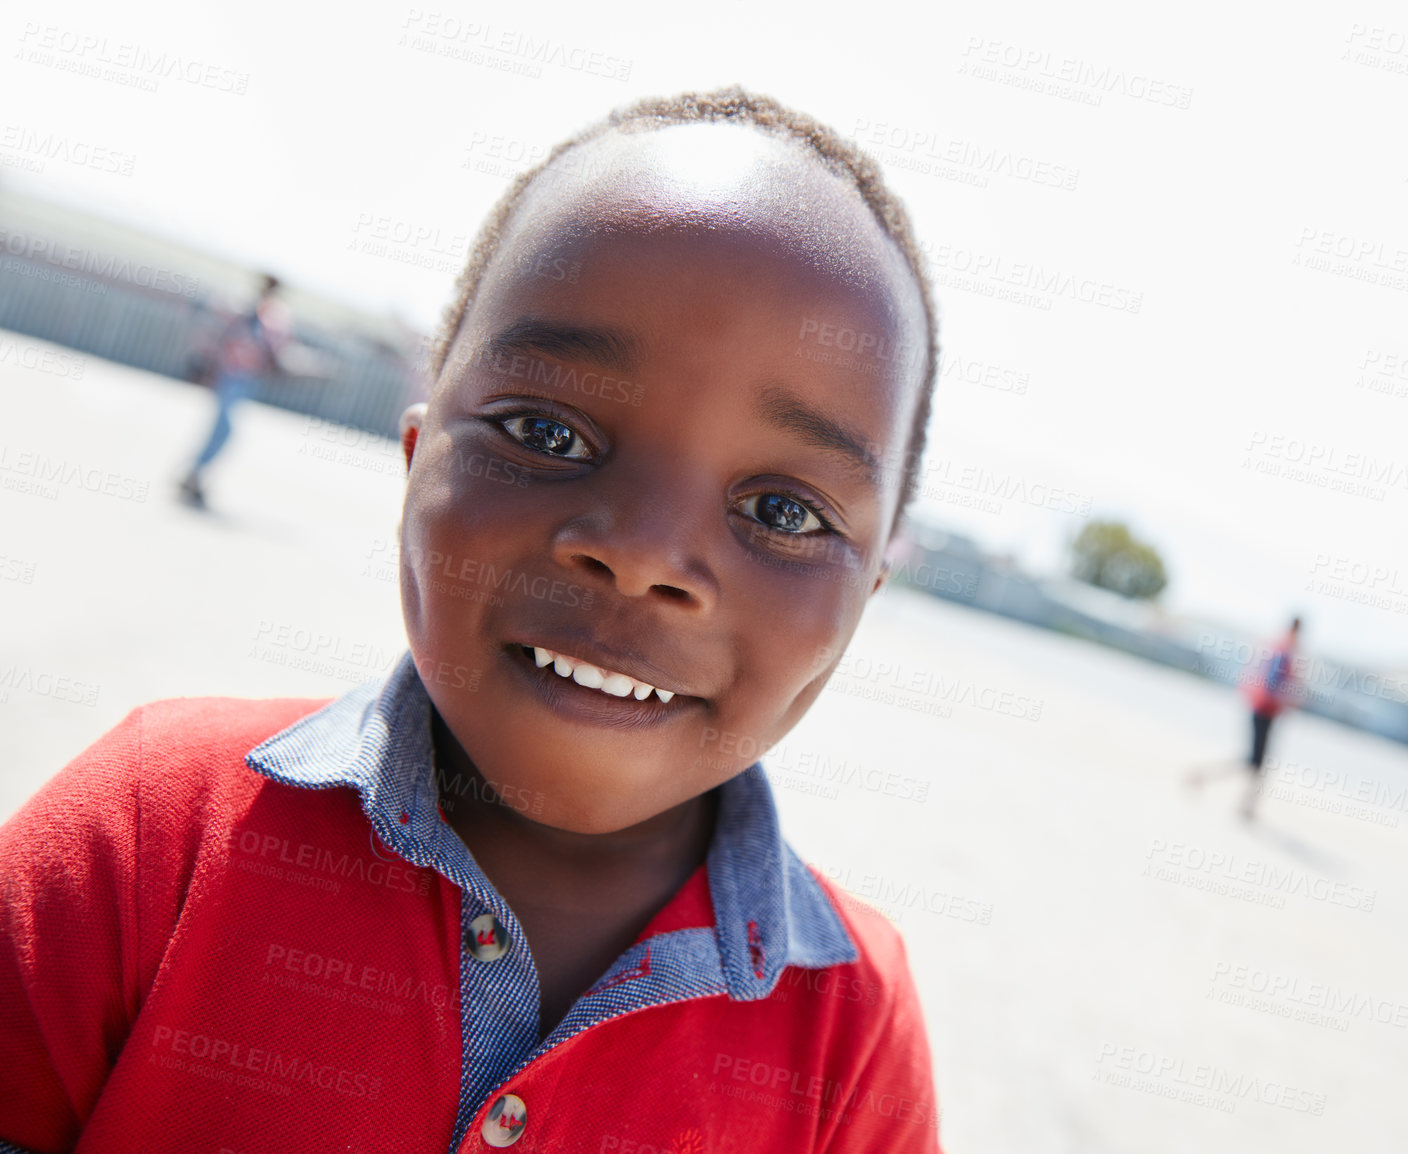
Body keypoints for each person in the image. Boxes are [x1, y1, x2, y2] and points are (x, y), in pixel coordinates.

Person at [0, 90, 943, 1152]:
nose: (637, 552)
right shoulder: (152, 832)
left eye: (782, 510)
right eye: (546, 430)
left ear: (863, 601)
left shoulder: (851, 1031)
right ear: (415, 465)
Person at [177, 273, 291, 508]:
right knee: (224, 429)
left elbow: (272, 349)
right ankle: (195, 474)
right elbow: (221, 336)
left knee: (223, 430)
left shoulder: (270, 317)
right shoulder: (245, 310)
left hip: (243, 378)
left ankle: (196, 474)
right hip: (231, 374)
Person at [1186, 616, 1303, 821]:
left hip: (1261, 707)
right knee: (1255, 761)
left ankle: (1245, 803)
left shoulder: (1277, 645)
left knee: (1256, 761)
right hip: (1264, 709)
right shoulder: (1284, 651)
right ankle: (1209, 780)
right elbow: (1273, 682)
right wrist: (1289, 699)